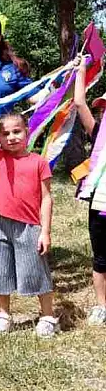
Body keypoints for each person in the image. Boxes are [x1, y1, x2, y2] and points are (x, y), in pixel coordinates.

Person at [0, 83, 57, 338]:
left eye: (17, 131)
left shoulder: (38, 162)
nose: (11, 137)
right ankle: (3, 314)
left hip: (29, 226)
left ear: (27, 132)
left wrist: (45, 232)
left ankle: (47, 316)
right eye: (5, 134)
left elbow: (46, 198)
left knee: (35, 270)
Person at [71, 55, 106, 325]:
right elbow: (79, 102)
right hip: (101, 205)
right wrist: (81, 70)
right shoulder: (97, 134)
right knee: (101, 259)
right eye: (103, 109)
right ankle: (102, 306)